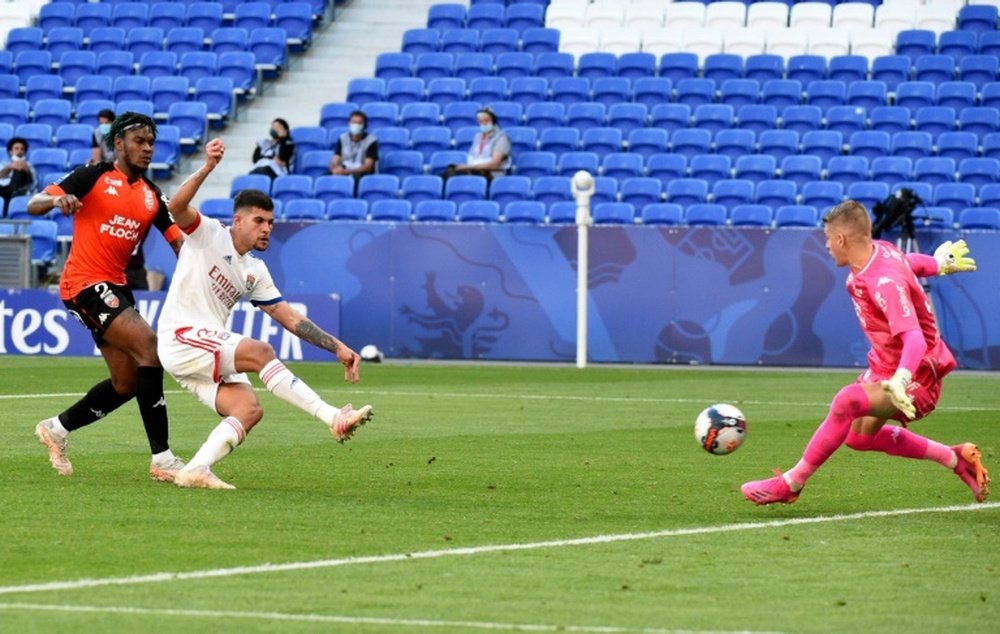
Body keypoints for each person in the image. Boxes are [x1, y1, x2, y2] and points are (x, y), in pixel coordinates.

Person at [741, 200, 990, 506]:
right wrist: (937, 264)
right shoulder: (880, 251)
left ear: (841, 239)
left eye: (828, 239)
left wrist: (901, 379)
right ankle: (953, 457)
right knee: (858, 438)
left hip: (918, 378)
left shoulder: (883, 282)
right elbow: (907, 261)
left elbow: (914, 338)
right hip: (888, 366)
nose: (827, 246)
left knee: (847, 401)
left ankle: (791, 483)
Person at [157, 139, 373, 490]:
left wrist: (336, 347)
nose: (267, 228)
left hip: (201, 352)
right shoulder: (208, 234)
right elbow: (177, 207)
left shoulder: (254, 270)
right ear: (237, 221)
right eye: (259, 220)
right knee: (261, 352)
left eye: (270, 222)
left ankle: (195, 469)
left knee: (249, 409)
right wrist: (208, 167)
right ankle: (333, 416)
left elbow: (290, 318)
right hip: (180, 337)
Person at [29, 111, 186, 482]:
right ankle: (162, 459)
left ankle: (56, 428)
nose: (147, 149)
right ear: (118, 144)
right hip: (83, 284)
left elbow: (179, 241)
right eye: (139, 142)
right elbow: (33, 203)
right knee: (149, 347)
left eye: (151, 143)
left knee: (126, 384)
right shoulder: (93, 175)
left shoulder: (151, 195)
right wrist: (58, 200)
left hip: (116, 286)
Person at [445, 107, 510, 182]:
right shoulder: (478, 137)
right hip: (474, 171)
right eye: (481, 121)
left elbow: (494, 164)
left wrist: (467, 167)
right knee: (447, 173)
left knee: (453, 177)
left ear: (493, 121)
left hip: (491, 174)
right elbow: (472, 157)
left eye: (486, 120)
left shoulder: (502, 138)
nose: (484, 124)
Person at [329, 110, 378, 193]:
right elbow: (335, 160)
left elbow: (367, 167)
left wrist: (346, 172)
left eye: (359, 123)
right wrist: (334, 169)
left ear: (364, 125)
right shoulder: (342, 138)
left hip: (360, 172)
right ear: (349, 123)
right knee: (325, 177)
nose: (356, 125)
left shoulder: (372, 141)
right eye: (354, 122)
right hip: (345, 169)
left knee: (356, 179)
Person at [0, 136, 36, 213]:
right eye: (16, 149)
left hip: (20, 191)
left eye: (22, 149)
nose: (19, 151)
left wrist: (27, 170)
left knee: (19, 171)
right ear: (10, 151)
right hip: (3, 190)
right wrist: (10, 167)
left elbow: (34, 184)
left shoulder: (29, 166)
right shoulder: (3, 164)